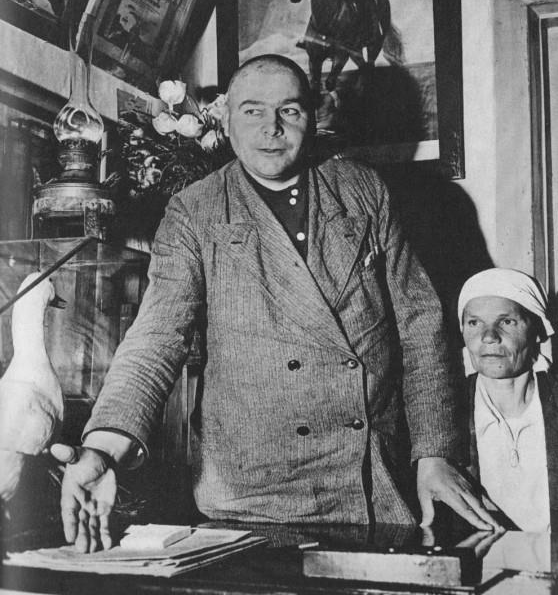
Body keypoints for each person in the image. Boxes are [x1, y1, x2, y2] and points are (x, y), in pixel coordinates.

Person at [52, 54, 500, 552]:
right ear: (225, 121)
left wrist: (435, 453)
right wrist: (103, 448)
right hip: (252, 500)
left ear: (312, 118)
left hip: (373, 488)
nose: (272, 128)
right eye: (252, 111)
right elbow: (157, 338)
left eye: (289, 110)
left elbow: (420, 325)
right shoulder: (196, 210)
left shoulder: (363, 190)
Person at [458, 268, 557, 531]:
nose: (489, 336)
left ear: (537, 330)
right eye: (474, 323)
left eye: (507, 321)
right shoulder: (447, 414)